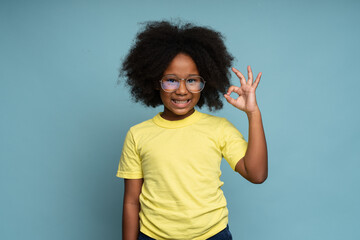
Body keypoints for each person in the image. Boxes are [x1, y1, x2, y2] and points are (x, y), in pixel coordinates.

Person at [116, 20, 268, 240]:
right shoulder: (137, 135)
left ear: (205, 82)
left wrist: (253, 114)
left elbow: (257, 175)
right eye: (171, 80)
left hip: (212, 235)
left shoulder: (219, 129)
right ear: (155, 81)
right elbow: (131, 201)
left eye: (192, 80)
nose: (182, 90)